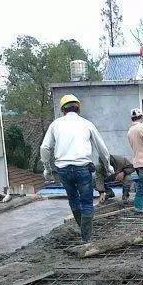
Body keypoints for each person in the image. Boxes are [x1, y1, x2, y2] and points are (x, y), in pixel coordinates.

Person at [40, 94, 113, 242]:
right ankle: (86, 237)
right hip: (82, 168)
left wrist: (47, 168)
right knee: (87, 203)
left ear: (62, 110)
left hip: (63, 170)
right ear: (78, 108)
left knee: (73, 200)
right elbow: (102, 149)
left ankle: (83, 231)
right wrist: (108, 166)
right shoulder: (86, 124)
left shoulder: (55, 125)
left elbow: (45, 147)